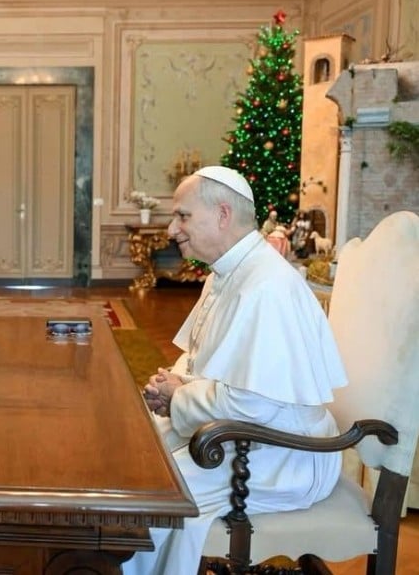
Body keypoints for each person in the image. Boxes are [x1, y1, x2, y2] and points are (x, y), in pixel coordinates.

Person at [122, 166, 348, 574]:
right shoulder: (228, 273)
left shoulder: (267, 287)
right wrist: (170, 385)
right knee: (132, 457)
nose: (173, 229)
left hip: (282, 454)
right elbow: (200, 357)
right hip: (245, 436)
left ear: (223, 215)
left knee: (154, 497)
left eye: (183, 216)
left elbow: (253, 405)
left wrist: (178, 395)